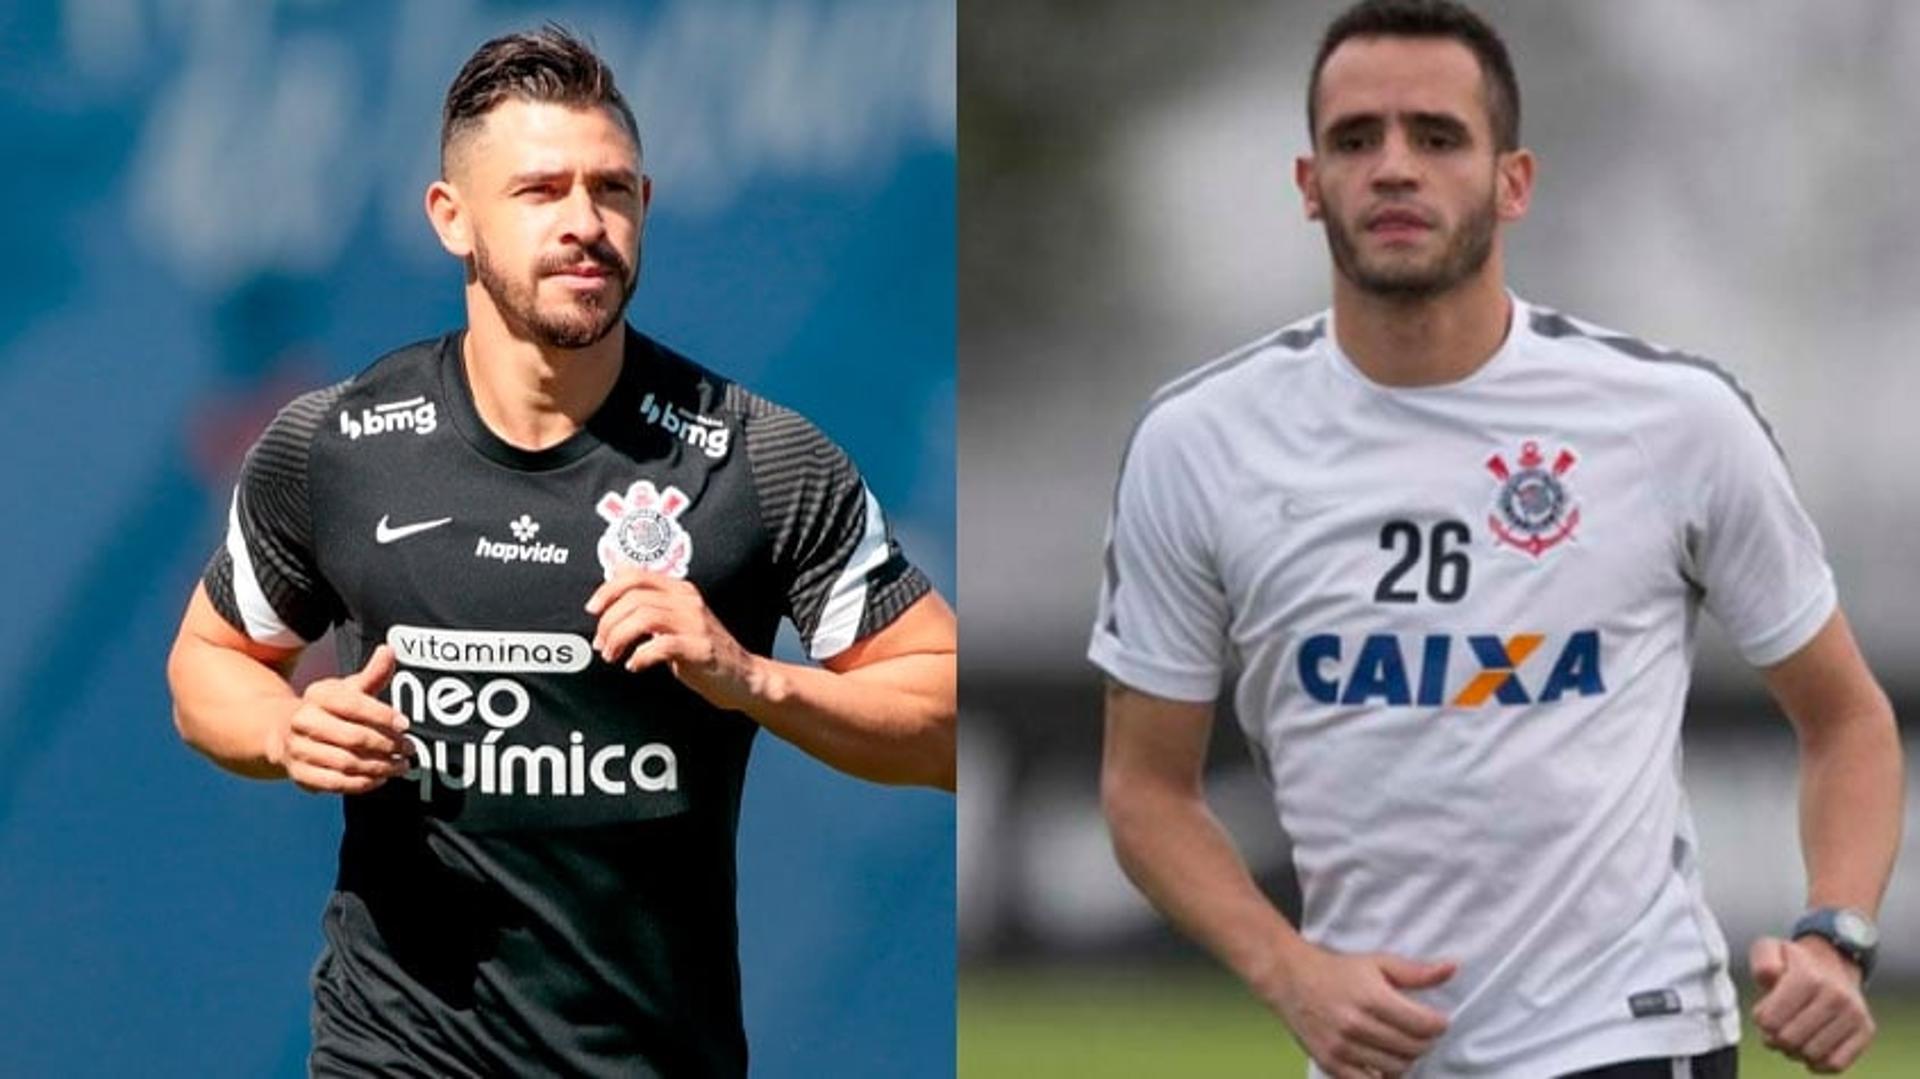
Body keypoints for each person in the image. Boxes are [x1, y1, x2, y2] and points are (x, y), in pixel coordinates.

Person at [1090, 2, 1901, 1076]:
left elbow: (1848, 718)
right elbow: (1147, 790)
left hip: (1631, 1031)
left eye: (1435, 137)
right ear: (1307, 185)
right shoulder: (1198, 443)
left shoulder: (1671, 421)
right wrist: (1289, 969)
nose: (1392, 168)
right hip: (1372, 1054)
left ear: (1512, 180)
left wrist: (1834, 936)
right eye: (1354, 139)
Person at [165, 26, 955, 1078]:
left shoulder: (760, 458)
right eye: (542, 190)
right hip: (394, 1052)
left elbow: (944, 714)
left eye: (614, 190)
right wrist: (285, 726)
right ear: (453, 218)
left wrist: (755, 678)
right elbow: (206, 663)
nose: (586, 224)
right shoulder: (336, 444)